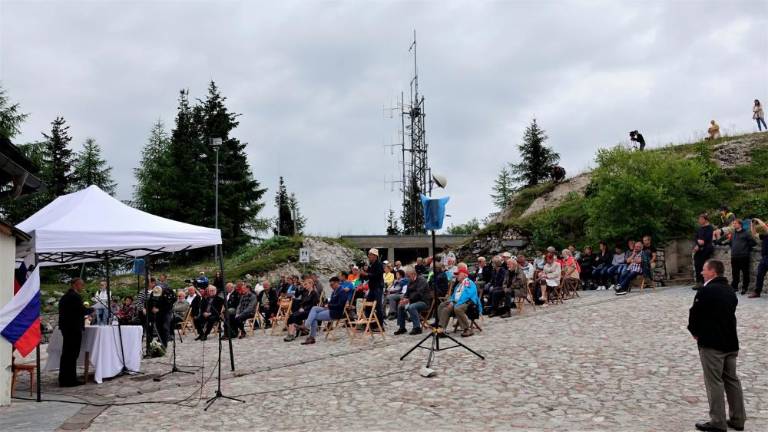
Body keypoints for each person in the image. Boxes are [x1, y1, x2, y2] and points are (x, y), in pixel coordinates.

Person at [688, 259, 745, 432]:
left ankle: (718, 422)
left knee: (714, 383)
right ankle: (738, 419)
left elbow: (694, 315)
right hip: (730, 342)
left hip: (712, 344)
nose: (702, 272)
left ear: (712, 271)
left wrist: (695, 333)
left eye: (704, 270)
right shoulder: (730, 291)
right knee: (732, 380)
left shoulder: (705, 291)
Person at [58, 278, 91, 387]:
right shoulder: (75, 296)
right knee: (72, 355)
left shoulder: (65, 296)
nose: (82, 287)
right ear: (76, 285)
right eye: (81, 285)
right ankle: (70, 380)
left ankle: (64, 379)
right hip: (73, 329)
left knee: (66, 354)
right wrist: (92, 310)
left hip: (66, 328)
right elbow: (81, 311)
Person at [300, 276, 348, 345]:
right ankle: (307, 328)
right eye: (330, 285)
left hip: (335, 312)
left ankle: (310, 335)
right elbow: (331, 302)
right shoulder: (334, 292)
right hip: (330, 309)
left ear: (337, 283)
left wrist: (329, 305)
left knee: (314, 317)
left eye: (332, 284)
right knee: (314, 308)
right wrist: (327, 304)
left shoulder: (342, 292)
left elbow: (340, 306)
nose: (331, 286)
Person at [437, 268, 481, 337]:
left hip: (468, 303)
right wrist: (451, 301)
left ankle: (467, 329)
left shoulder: (468, 282)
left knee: (457, 308)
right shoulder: (458, 285)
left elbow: (467, 295)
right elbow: (453, 296)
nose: (457, 276)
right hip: (457, 302)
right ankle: (442, 328)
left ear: (464, 275)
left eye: (458, 274)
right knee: (443, 306)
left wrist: (455, 303)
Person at [393, 266, 433, 335]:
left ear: (413, 274)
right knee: (400, 306)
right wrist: (404, 298)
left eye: (408, 276)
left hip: (423, 302)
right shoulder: (410, 281)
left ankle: (417, 328)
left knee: (412, 307)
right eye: (407, 276)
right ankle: (402, 328)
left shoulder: (422, 280)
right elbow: (407, 293)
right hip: (413, 301)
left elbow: (418, 294)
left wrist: (408, 300)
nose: (407, 278)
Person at [284, 276, 320, 342]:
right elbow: (297, 295)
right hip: (303, 310)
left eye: (306, 284)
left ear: (311, 284)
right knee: (292, 316)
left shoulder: (314, 293)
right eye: (304, 284)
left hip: (310, 311)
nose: (305, 286)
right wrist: (298, 287)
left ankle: (292, 334)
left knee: (295, 315)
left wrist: (304, 308)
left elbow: (313, 305)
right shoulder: (305, 292)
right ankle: (291, 333)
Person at [728, 219, 757, 295]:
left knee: (745, 273)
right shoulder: (733, 233)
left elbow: (753, 243)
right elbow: (731, 243)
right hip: (734, 256)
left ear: (740, 224)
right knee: (735, 273)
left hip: (744, 256)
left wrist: (745, 248)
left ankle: (745, 288)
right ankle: (734, 287)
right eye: (733, 223)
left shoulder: (746, 233)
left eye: (735, 223)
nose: (734, 225)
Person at [359, 248, 385, 330]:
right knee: (368, 306)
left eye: (370, 255)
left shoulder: (379, 265)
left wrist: (366, 273)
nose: (369, 256)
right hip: (372, 288)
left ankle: (380, 325)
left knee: (378, 307)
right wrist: (362, 273)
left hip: (377, 287)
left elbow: (376, 276)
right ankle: (370, 323)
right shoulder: (371, 265)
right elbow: (368, 276)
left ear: (375, 256)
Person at [147, 277, 175, 347]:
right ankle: (160, 342)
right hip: (157, 313)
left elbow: (170, 304)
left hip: (166, 311)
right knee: (159, 327)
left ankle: (164, 345)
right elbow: (150, 302)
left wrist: (159, 309)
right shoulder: (154, 291)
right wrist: (152, 308)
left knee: (165, 327)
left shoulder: (168, 292)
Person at [694, 214, 716, 289]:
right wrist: (697, 244)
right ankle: (698, 282)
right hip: (699, 249)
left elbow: (707, 238)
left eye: (700, 219)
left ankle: (704, 282)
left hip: (706, 249)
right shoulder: (699, 228)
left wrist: (701, 243)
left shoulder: (710, 228)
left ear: (705, 220)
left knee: (704, 265)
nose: (699, 221)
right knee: (697, 264)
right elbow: (696, 237)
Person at [749, 218, 768, 298]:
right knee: (760, 274)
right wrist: (752, 225)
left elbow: (764, 226)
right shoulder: (765, 235)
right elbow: (754, 234)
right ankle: (757, 292)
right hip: (765, 257)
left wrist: (757, 220)